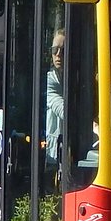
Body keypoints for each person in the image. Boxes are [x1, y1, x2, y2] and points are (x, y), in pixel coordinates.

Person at [44, 29, 65, 178]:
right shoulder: (49, 79)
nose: (58, 55)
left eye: (63, 50)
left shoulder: (78, 76)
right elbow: (63, 109)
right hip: (53, 152)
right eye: (54, 49)